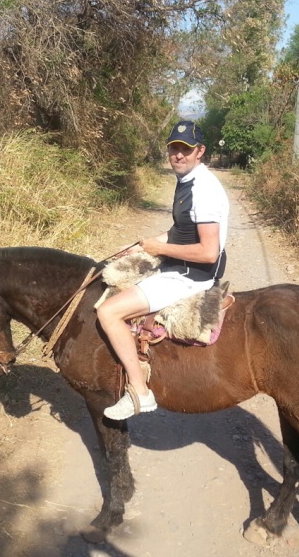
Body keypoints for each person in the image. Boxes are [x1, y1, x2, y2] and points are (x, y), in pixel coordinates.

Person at [96, 120, 230, 420]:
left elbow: (208, 252)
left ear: (200, 151)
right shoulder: (188, 181)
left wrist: (160, 250)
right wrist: (145, 245)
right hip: (179, 266)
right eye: (174, 148)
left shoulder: (204, 190)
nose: (178, 155)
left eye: (186, 149)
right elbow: (180, 232)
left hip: (189, 277)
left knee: (108, 312)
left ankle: (140, 392)